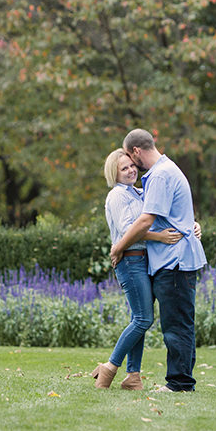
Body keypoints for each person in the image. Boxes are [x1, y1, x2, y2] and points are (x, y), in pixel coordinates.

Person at [110, 128, 207, 392]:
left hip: (174, 261)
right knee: (178, 321)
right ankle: (179, 380)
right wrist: (192, 224)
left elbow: (145, 221)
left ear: (136, 151)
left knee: (176, 325)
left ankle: (179, 383)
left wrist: (118, 247)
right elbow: (176, 213)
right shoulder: (163, 171)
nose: (132, 166)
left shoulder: (160, 175)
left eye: (130, 158)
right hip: (172, 260)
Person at [91, 148, 184, 390]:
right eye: (124, 168)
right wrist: (159, 237)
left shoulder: (139, 192)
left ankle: (133, 376)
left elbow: (162, 214)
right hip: (130, 262)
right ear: (114, 173)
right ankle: (109, 367)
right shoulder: (117, 196)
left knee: (138, 318)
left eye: (132, 165)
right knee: (143, 319)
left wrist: (192, 224)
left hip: (144, 261)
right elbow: (127, 230)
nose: (131, 170)